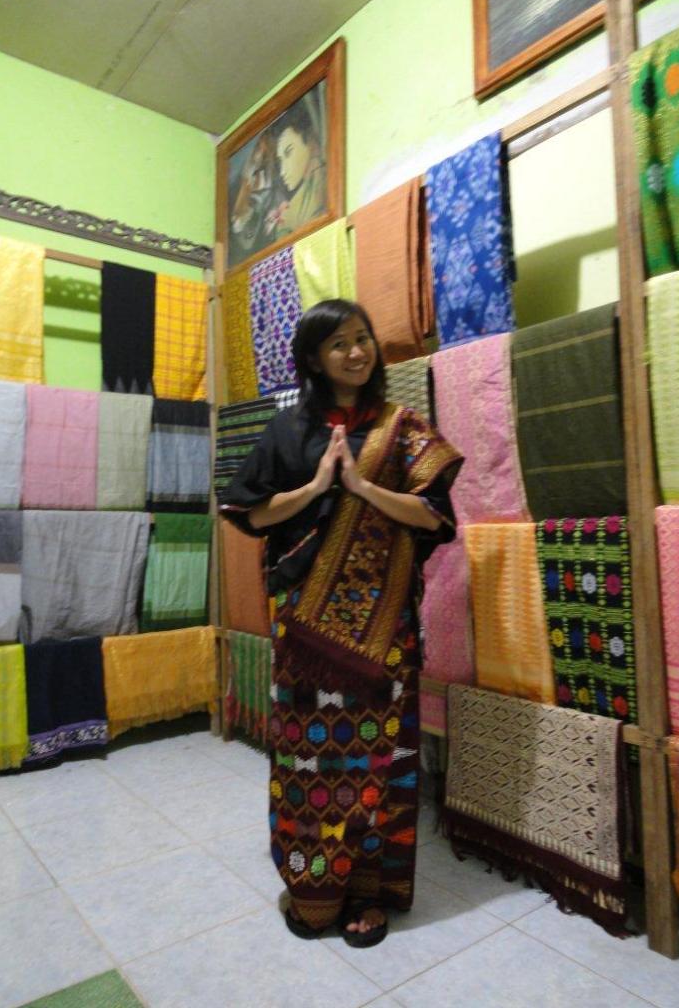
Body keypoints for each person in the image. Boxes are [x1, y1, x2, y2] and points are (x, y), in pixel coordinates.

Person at [220, 299, 462, 947]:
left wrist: (362, 487)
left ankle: (369, 892)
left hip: (386, 635)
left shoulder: (402, 428)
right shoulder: (289, 430)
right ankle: (313, 887)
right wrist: (317, 485)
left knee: (382, 760)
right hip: (305, 633)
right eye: (339, 344)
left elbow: (436, 515)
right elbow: (250, 513)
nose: (356, 352)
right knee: (309, 763)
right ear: (313, 358)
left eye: (363, 338)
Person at [270, 100, 326, 240]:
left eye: (289, 152)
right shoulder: (289, 212)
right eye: (280, 160)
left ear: (311, 142)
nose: (283, 172)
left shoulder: (324, 184)